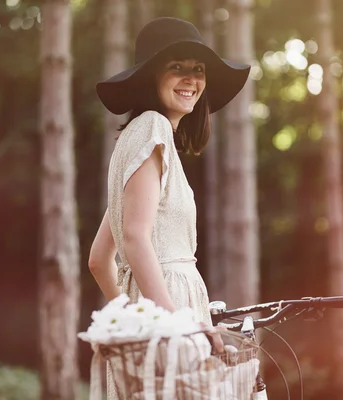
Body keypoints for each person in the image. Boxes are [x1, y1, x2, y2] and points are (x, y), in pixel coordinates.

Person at [88, 16, 250, 398]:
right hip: (172, 315)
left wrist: (136, 315)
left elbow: (99, 259)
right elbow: (135, 237)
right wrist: (175, 324)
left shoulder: (137, 142)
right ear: (151, 77)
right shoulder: (152, 128)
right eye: (176, 67)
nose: (191, 79)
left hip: (164, 313)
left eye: (198, 70)